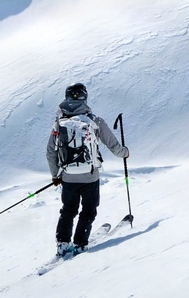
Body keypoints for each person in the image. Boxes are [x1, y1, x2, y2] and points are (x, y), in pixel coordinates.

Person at [46, 81, 128, 257]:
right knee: (88, 210)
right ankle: (80, 244)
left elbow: (50, 153)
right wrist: (124, 153)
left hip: (68, 176)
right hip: (90, 176)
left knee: (68, 210)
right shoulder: (94, 121)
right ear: (85, 98)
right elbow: (112, 145)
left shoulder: (58, 124)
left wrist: (56, 175)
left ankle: (62, 243)